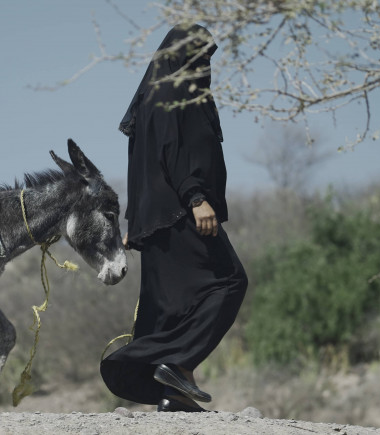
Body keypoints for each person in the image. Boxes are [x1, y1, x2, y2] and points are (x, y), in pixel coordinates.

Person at [100, 24, 248, 412]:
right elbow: (172, 152)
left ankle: (174, 396)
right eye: (198, 58)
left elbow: (142, 167)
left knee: (171, 305)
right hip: (181, 211)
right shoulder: (172, 96)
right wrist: (196, 197)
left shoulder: (152, 96)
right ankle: (177, 364)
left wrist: (135, 223)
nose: (203, 67)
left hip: (156, 220)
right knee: (229, 281)